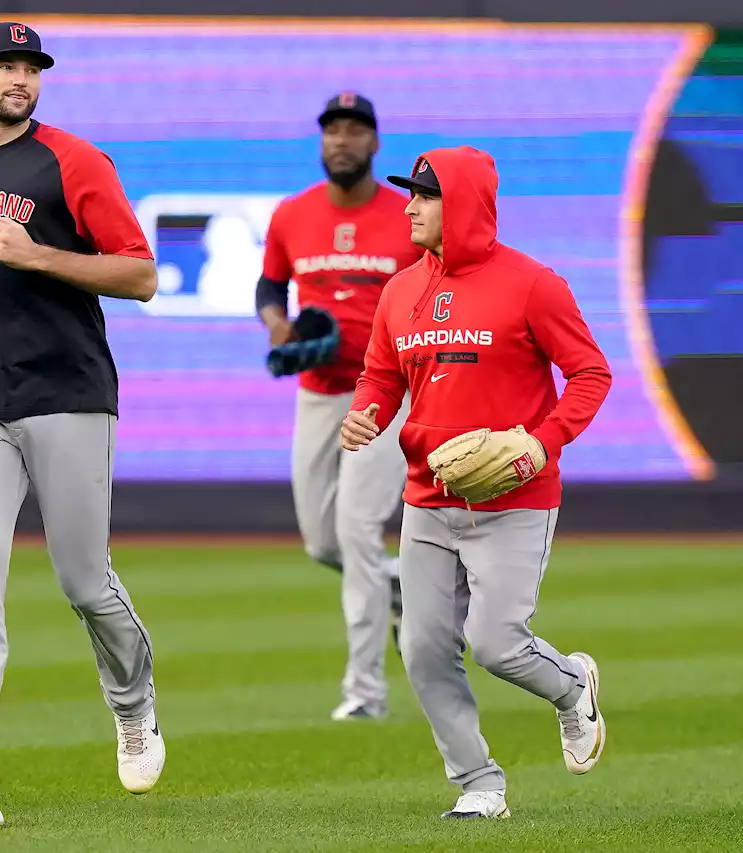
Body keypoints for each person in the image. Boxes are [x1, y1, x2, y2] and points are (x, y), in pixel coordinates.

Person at [0, 22, 164, 828]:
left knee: (83, 581)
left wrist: (39, 256)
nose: (20, 78)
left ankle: (132, 701)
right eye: (5, 65)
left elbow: (141, 273)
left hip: (68, 392)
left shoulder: (74, 161)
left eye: (31, 67)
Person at [340, 146, 613, 819]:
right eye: (409, 195)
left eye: (423, 197)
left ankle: (573, 685)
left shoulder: (532, 283)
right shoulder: (402, 289)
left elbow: (591, 374)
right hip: (428, 499)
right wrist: (365, 413)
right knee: (424, 649)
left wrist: (541, 444)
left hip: (513, 499)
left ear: (458, 204)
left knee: (495, 641)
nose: (408, 207)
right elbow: (382, 374)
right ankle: (479, 784)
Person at [256, 93, 422, 722]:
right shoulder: (293, 214)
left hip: (384, 394)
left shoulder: (405, 216)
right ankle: (409, 586)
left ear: (375, 143)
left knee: (356, 531)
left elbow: (437, 289)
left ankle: (364, 693)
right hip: (319, 392)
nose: (342, 140)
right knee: (321, 541)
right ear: (321, 142)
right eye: (333, 130)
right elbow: (271, 287)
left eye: (355, 130)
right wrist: (278, 325)